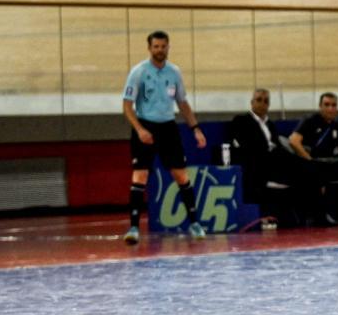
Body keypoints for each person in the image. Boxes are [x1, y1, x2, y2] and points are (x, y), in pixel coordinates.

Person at [121, 30, 207, 245]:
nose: (160, 50)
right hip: (145, 126)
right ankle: (133, 228)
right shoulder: (138, 72)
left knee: (181, 176)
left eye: (163, 46)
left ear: (168, 47)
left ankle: (195, 223)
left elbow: (182, 103)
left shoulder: (174, 72)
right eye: (156, 47)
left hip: (168, 127)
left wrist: (195, 128)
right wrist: (140, 129)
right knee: (140, 176)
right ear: (149, 48)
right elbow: (127, 106)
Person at [288, 93, 338, 225]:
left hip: (329, 162)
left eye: (333, 105)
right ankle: (319, 216)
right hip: (311, 161)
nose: (330, 108)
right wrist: (310, 161)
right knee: (315, 172)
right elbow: (293, 141)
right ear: (320, 106)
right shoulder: (310, 120)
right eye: (327, 105)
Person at [227, 88, 291, 208]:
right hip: (257, 166)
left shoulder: (270, 124)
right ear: (252, 102)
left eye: (266, 101)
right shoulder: (242, 121)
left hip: (275, 162)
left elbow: (279, 146)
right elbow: (244, 146)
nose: (262, 104)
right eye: (259, 100)